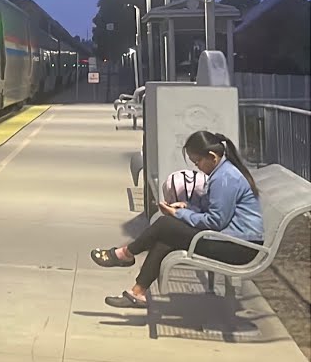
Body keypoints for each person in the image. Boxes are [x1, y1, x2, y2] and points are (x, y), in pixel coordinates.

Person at [90, 130, 264, 308]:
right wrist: (187, 208)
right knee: (166, 237)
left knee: (166, 224)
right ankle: (137, 292)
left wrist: (177, 214)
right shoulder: (222, 173)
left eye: (197, 162)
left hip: (240, 248)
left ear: (212, 157)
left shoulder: (225, 178)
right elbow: (213, 212)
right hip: (232, 240)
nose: (197, 167)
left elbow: (216, 221)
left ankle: (125, 254)